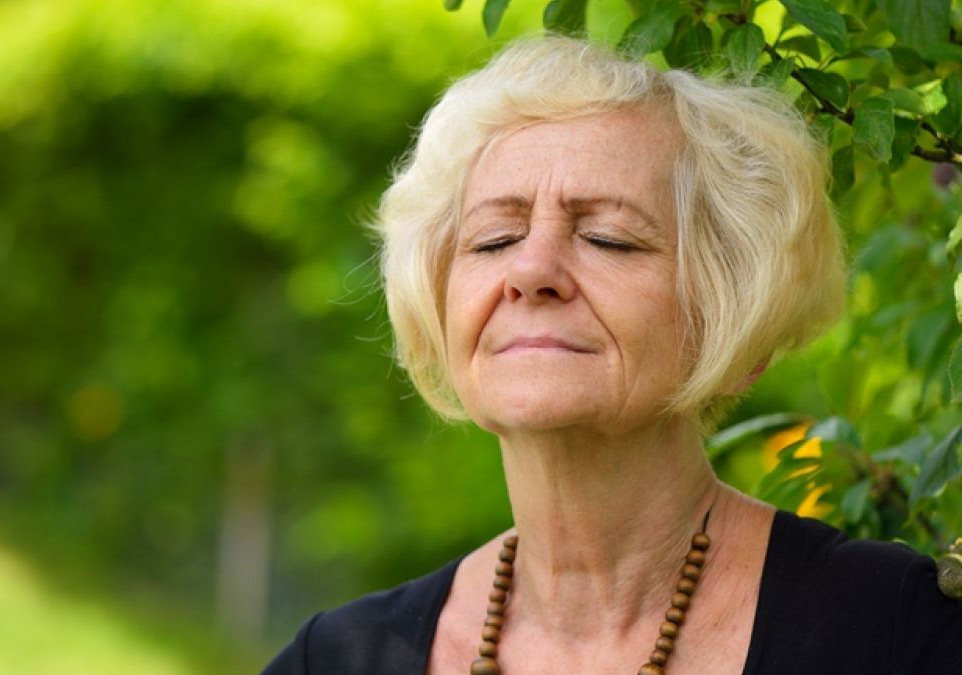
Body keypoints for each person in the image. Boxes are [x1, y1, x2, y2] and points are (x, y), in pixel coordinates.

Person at [262, 35, 962, 674]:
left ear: (730, 312)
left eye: (609, 238)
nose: (530, 270)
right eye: (493, 239)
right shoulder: (336, 660)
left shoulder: (897, 635)